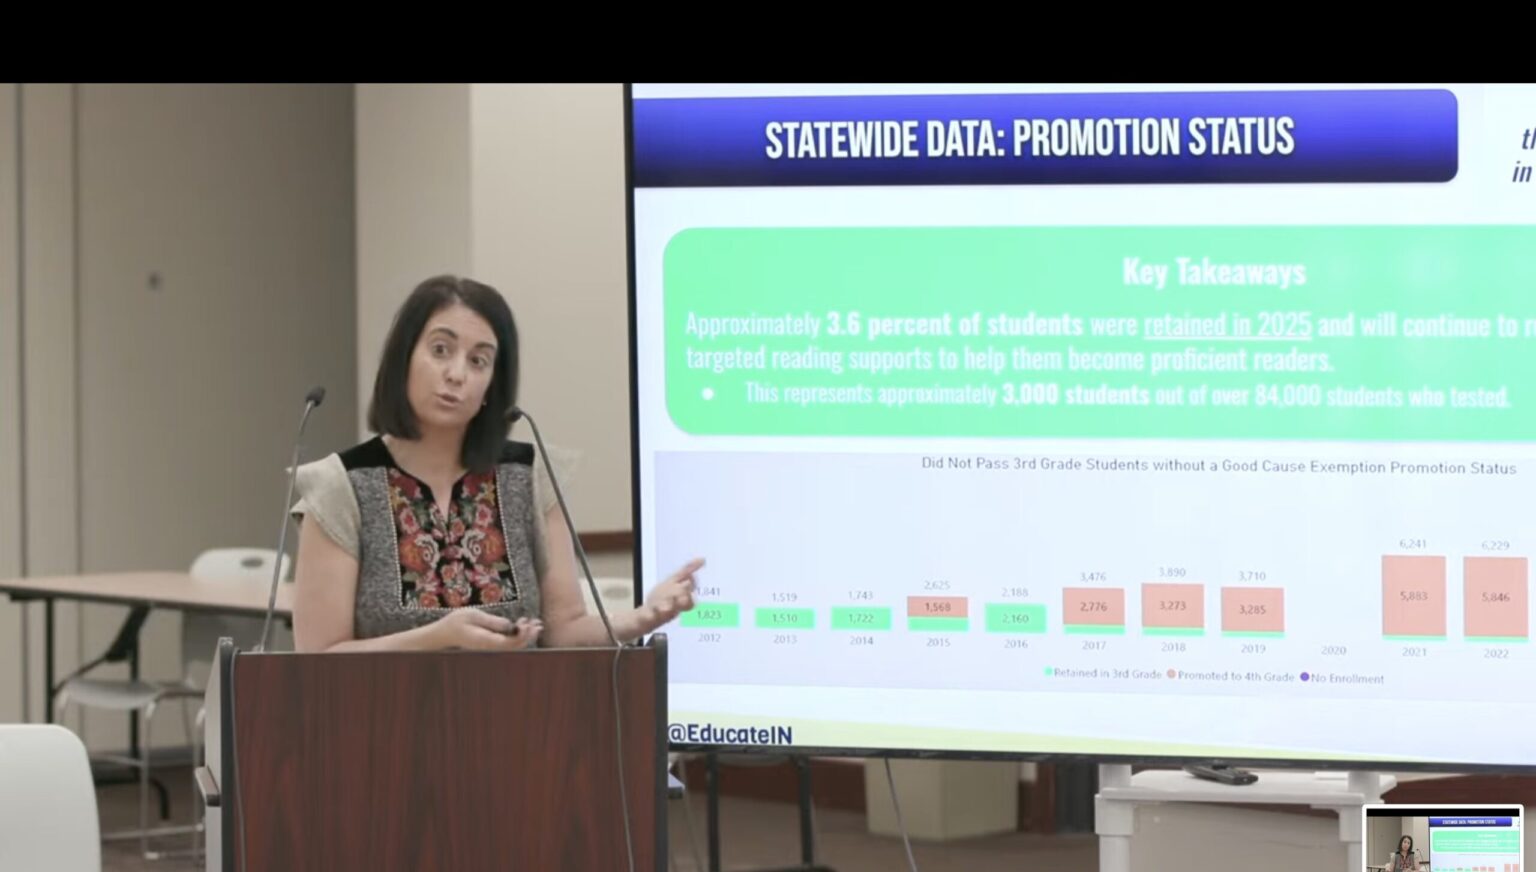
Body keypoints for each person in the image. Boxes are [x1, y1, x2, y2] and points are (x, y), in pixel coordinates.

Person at [290, 274, 700, 652]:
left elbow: (563, 631)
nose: (456, 374)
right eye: (440, 350)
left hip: (523, 704)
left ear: (491, 385)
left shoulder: (529, 475)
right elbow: (319, 657)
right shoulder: (341, 485)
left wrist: (639, 618)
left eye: (478, 361)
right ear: (404, 358)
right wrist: (438, 637)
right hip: (383, 708)